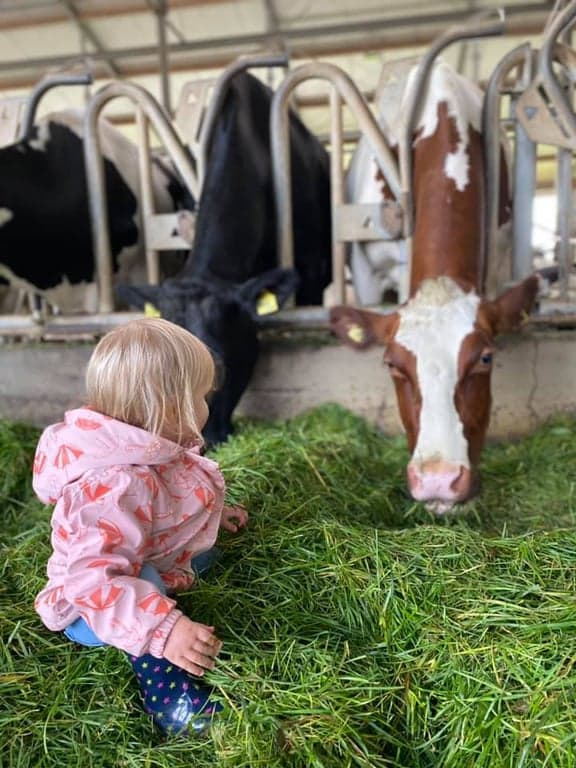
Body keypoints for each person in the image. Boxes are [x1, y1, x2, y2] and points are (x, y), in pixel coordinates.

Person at [32, 317, 248, 736]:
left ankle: (164, 590)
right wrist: (166, 630)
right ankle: (169, 697)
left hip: (138, 557)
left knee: (202, 560)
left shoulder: (145, 442)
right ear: (171, 408)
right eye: (203, 396)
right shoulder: (112, 484)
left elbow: (168, 493)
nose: (209, 405)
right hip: (91, 606)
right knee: (142, 577)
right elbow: (93, 582)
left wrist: (213, 514)